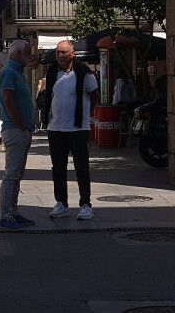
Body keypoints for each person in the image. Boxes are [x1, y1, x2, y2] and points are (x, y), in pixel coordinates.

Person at [45, 40, 99, 221]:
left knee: (81, 167)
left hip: (77, 128)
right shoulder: (52, 71)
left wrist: (87, 117)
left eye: (63, 53)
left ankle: (85, 205)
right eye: (58, 52)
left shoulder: (83, 71)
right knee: (58, 168)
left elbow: (94, 95)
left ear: (72, 53)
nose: (60, 56)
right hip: (56, 128)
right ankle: (61, 203)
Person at [0, 40, 37, 230]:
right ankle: (5, 215)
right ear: (18, 54)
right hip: (15, 130)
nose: (29, 57)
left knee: (18, 174)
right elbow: (8, 100)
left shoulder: (17, 73)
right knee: (11, 175)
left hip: (22, 130)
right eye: (28, 53)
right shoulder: (9, 73)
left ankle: (13, 211)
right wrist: (21, 125)